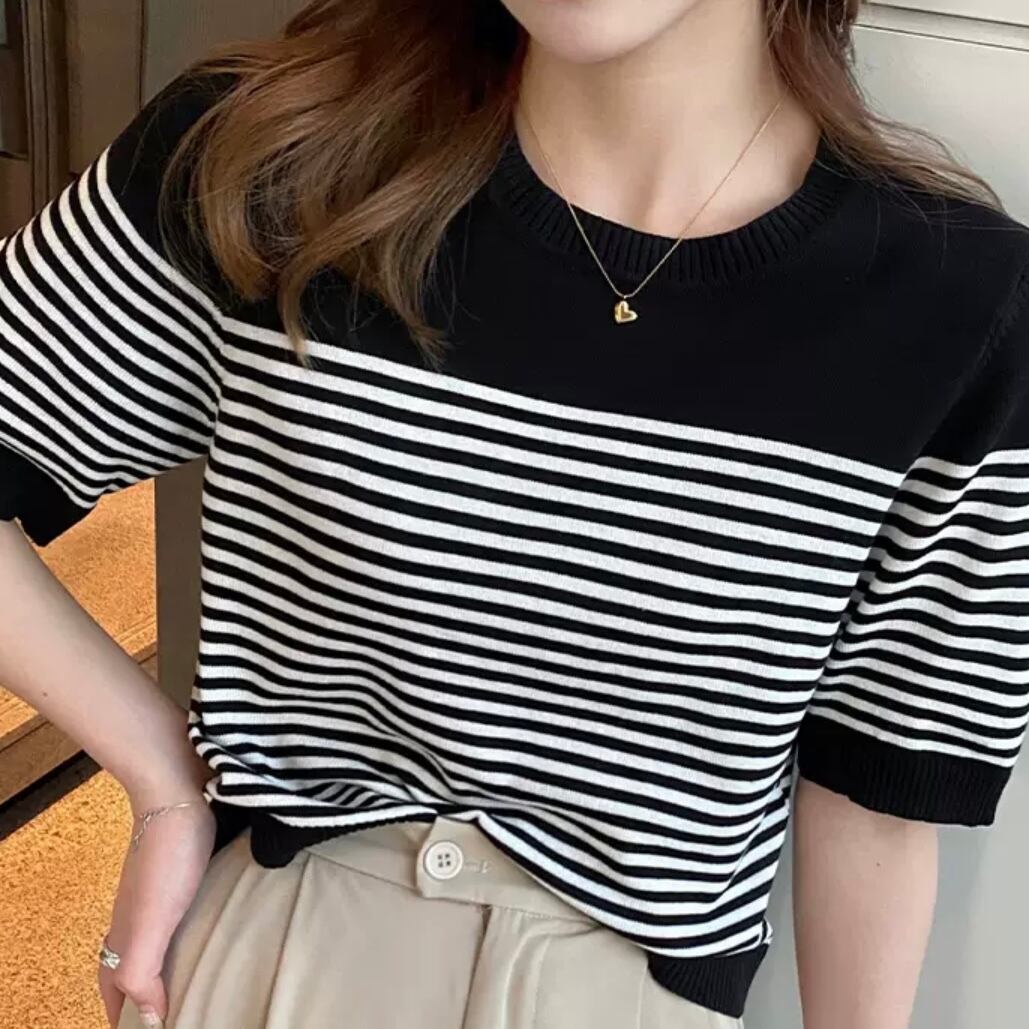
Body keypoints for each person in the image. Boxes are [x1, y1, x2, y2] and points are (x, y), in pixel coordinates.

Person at [1, 0, 1027, 1026]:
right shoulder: (271, 157)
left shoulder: (964, 308)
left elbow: (879, 788)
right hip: (268, 955)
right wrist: (161, 775)